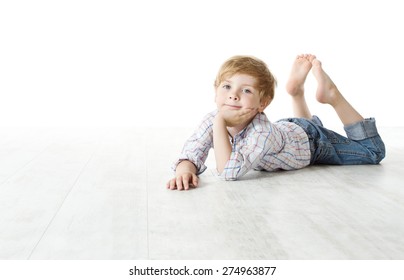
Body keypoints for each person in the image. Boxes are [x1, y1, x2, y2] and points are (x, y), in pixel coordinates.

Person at [166, 54, 385, 191]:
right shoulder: (213, 118)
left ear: (263, 103)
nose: (233, 96)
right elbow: (193, 150)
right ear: (215, 92)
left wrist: (220, 123)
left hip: (313, 144)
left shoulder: (262, 132)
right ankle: (297, 93)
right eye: (227, 87)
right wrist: (184, 170)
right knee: (304, 127)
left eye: (246, 90)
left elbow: (228, 172)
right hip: (291, 131)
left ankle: (333, 96)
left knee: (373, 152)